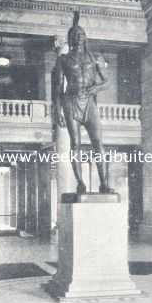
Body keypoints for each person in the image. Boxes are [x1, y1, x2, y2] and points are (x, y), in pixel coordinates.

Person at [54, 11, 114, 194]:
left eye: (81, 34)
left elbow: (107, 81)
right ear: (71, 39)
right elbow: (58, 87)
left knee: (98, 142)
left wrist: (95, 89)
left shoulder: (94, 58)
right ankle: (80, 182)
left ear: (85, 37)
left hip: (89, 101)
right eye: (75, 35)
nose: (79, 37)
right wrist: (57, 110)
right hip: (71, 101)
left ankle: (104, 183)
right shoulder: (63, 59)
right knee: (75, 144)